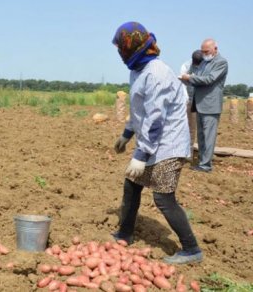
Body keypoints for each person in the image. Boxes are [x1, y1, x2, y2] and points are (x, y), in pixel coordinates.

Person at [111, 21, 203, 264]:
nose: (121, 54)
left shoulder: (157, 73)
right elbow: (138, 110)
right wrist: (126, 135)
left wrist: (140, 155)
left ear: (136, 48)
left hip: (169, 144)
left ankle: (192, 249)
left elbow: (155, 119)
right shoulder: (137, 71)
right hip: (152, 143)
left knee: (163, 197)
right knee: (132, 185)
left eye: (123, 50)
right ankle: (124, 234)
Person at [180, 39, 228, 173]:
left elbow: (209, 79)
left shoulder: (221, 62)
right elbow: (197, 77)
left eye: (206, 51)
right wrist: (186, 79)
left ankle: (206, 165)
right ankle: (202, 161)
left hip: (211, 105)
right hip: (199, 103)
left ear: (215, 49)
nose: (204, 54)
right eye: (202, 51)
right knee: (201, 136)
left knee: (208, 136)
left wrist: (189, 78)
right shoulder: (204, 62)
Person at [180, 50, 203, 159]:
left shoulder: (207, 66)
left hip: (203, 100)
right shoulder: (186, 66)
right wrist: (186, 101)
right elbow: (183, 85)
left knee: (204, 128)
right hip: (190, 99)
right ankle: (188, 154)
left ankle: (203, 154)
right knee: (191, 128)